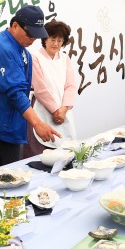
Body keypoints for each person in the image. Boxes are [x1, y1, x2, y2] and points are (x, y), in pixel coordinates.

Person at [0, 5, 61, 169]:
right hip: (1, 122)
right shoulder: (3, 47)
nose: (32, 39)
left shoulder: (21, 49)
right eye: (29, 34)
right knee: (9, 174)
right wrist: (37, 123)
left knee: (3, 170)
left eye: (36, 35)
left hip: (11, 119)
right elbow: (15, 92)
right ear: (14, 25)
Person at [23, 20, 77, 158]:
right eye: (53, 39)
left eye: (60, 40)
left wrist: (64, 109)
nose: (56, 43)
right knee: (39, 154)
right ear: (45, 39)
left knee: (66, 153)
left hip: (63, 112)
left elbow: (70, 86)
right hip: (42, 110)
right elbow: (40, 89)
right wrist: (55, 111)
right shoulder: (35, 58)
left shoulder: (65, 59)